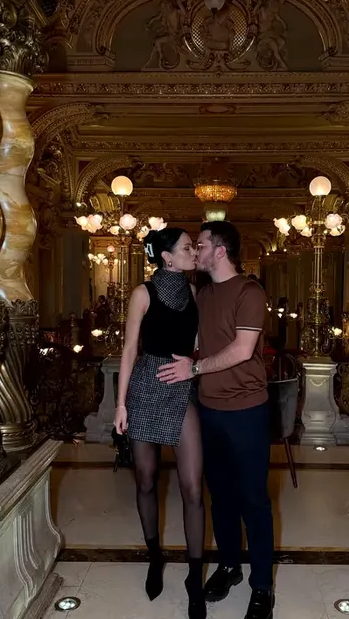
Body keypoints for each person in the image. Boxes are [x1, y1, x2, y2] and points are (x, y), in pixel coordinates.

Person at [159, 220, 275, 619]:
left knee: (253, 501)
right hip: (209, 409)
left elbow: (242, 349)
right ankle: (229, 566)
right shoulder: (204, 294)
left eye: (202, 245)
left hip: (247, 410)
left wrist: (193, 369)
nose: (197, 251)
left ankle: (262, 586)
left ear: (220, 251)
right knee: (221, 497)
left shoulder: (249, 292)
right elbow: (193, 339)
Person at [113, 227, 206, 619]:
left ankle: (195, 579)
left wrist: (195, 364)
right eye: (187, 248)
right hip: (144, 387)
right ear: (167, 257)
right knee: (146, 480)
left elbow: (199, 342)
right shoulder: (143, 293)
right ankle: (155, 556)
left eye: (194, 247)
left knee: (193, 488)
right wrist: (121, 404)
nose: (194, 252)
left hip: (181, 388)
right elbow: (129, 349)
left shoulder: (195, 292)